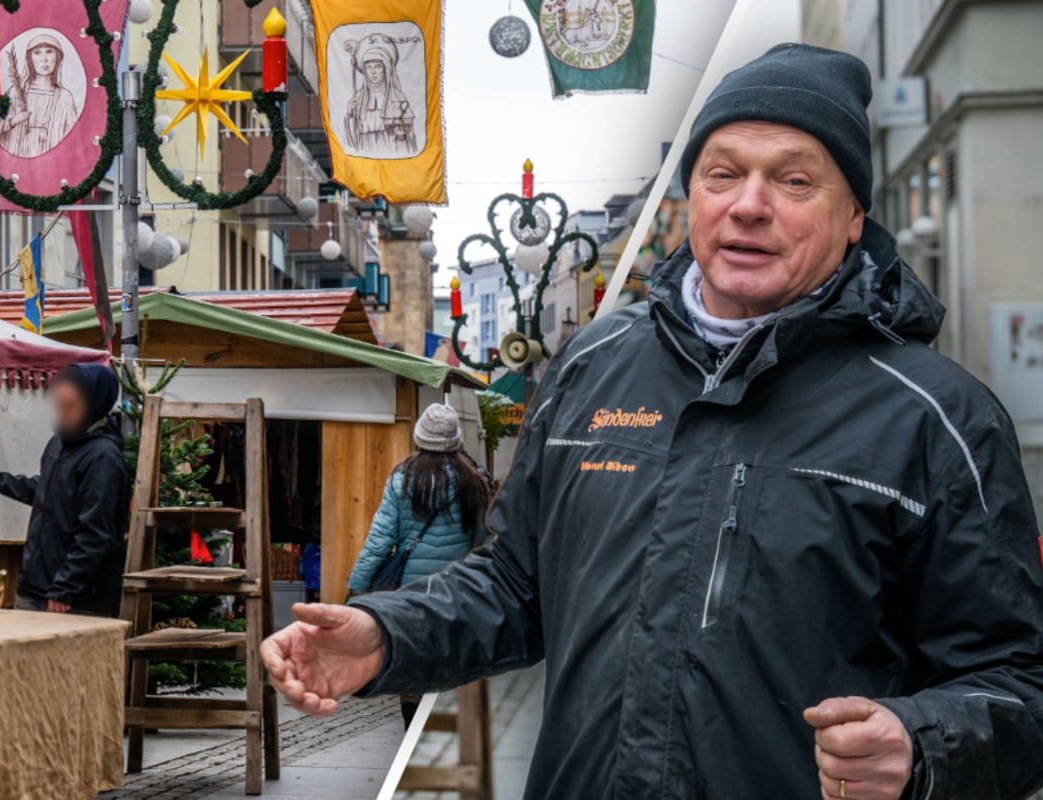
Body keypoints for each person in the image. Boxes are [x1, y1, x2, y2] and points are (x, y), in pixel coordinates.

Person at [262, 44, 1043, 800]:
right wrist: (385, 633)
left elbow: (1022, 684)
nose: (748, 203)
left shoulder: (937, 421)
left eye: (795, 180)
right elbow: (513, 585)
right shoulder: (594, 363)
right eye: (723, 173)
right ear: (692, 197)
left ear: (852, 219)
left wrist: (920, 744)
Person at [346, 403, 491, 726]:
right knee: (449, 662)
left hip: (411, 593)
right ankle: (442, 730)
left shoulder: (402, 480)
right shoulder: (474, 483)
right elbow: (482, 542)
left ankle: (413, 729)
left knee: (414, 666)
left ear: (419, 437)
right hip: (456, 591)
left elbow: (380, 540)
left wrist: (357, 587)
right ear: (455, 441)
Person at [0, 363, 129, 617]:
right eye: (59, 405)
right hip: (36, 587)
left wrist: (65, 588)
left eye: (70, 406)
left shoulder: (103, 458)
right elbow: (46, 490)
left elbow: (95, 533)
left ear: (94, 406)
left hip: (75, 601)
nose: (62, 413)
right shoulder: (59, 444)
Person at [0, 32, 80, 158]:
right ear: (30, 59)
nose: (44, 59)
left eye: (49, 51)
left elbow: (74, 139)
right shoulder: (15, 93)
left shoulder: (65, 97)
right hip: (19, 159)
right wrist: (13, 122)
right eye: (37, 53)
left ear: (58, 57)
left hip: (52, 161)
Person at [344, 33, 417, 156]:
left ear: (385, 69)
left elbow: (409, 136)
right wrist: (351, 116)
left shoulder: (398, 99)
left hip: (392, 150)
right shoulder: (357, 99)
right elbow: (350, 137)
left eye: (377, 67)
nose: (373, 72)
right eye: (368, 67)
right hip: (365, 152)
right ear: (364, 71)